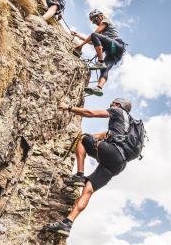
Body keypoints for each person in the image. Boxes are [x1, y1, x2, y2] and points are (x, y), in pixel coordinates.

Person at [43, 98, 135, 237]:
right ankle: (67, 223)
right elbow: (105, 135)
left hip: (112, 152)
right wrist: (94, 137)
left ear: (118, 105)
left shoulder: (117, 111)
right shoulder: (128, 126)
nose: (110, 104)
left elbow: (91, 113)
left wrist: (68, 107)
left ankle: (79, 175)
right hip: (119, 164)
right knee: (88, 190)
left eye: (112, 102)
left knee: (82, 139)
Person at [71, 9, 126, 96]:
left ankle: (100, 62)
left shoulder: (105, 21)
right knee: (104, 69)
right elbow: (92, 42)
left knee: (94, 35)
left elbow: (94, 34)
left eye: (95, 20)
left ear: (100, 16)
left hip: (116, 45)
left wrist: (81, 45)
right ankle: (99, 88)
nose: (95, 22)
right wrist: (79, 36)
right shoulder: (102, 33)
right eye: (93, 22)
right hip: (114, 53)